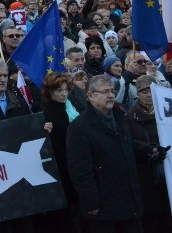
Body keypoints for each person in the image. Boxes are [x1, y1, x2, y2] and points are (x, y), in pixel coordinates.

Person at [67, 74, 144, 232]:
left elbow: (127, 145)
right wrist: (91, 201)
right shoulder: (79, 128)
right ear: (90, 95)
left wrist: (150, 151)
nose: (110, 95)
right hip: (103, 206)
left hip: (128, 200)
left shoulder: (120, 117)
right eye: (105, 92)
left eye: (112, 91)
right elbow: (80, 170)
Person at [125, 75, 172, 233]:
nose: (148, 95)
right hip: (147, 176)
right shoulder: (130, 117)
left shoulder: (169, 112)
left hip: (170, 170)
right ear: (138, 94)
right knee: (153, 219)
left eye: (151, 90)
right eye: (144, 91)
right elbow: (130, 143)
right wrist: (150, 149)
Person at [39, 73, 79, 232]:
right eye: (58, 90)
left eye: (65, 89)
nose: (64, 93)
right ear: (50, 92)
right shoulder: (47, 113)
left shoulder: (70, 107)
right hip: (61, 167)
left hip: (74, 162)